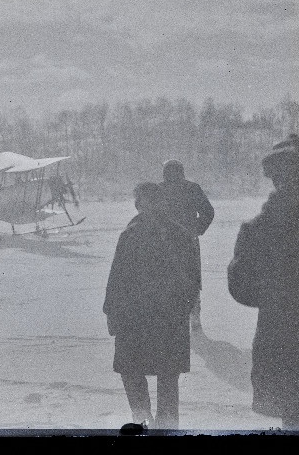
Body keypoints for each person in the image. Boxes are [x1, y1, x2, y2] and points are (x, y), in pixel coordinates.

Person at [227, 134, 299, 431]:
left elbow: (242, 289)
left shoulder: (258, 230)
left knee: (297, 423)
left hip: (284, 351)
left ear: (274, 179)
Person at [103, 182, 199, 430]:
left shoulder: (131, 234)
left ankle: (143, 425)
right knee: (168, 380)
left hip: (135, 319)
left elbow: (117, 278)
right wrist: (181, 308)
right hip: (169, 319)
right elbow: (193, 281)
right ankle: (167, 431)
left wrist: (111, 312)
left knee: (133, 375)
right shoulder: (182, 234)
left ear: (139, 204)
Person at [159, 159, 215, 335]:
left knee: (168, 278)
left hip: (166, 241)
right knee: (189, 279)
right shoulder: (191, 188)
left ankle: (175, 319)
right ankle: (194, 317)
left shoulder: (160, 189)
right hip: (184, 240)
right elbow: (208, 212)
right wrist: (197, 229)